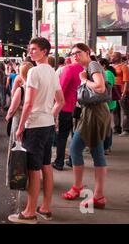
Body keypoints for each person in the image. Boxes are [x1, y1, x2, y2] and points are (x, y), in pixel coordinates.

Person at [9, 37, 65, 224]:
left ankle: (30, 211)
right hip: (47, 124)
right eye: (29, 49)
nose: (30, 52)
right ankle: (45, 207)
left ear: (44, 51)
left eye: (33, 49)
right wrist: (50, 114)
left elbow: (28, 103)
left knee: (34, 169)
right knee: (46, 166)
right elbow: (61, 101)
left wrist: (21, 126)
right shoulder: (52, 72)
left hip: (34, 125)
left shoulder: (33, 72)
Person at [62, 43, 110, 210]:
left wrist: (84, 80)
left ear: (88, 52)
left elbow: (100, 86)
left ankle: (84, 189)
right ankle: (96, 194)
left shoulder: (92, 65)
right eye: (72, 53)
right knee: (96, 152)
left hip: (94, 114)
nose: (75, 55)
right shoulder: (89, 66)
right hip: (92, 113)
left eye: (78, 52)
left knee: (75, 149)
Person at [52, 56, 84, 171]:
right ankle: (73, 160)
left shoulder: (69, 69)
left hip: (66, 107)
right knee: (76, 135)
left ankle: (59, 162)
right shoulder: (88, 69)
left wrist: (56, 104)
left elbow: (61, 88)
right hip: (82, 108)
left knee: (62, 136)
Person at [99, 58, 117, 155]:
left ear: (103, 65)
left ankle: (106, 146)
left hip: (108, 103)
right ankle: (106, 146)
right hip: (108, 103)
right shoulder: (107, 73)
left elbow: (107, 89)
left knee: (106, 126)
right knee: (106, 125)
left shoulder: (107, 74)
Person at [111, 52, 129, 136]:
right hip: (114, 91)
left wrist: (124, 92)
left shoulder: (124, 67)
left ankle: (126, 129)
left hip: (122, 90)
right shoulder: (112, 67)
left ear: (118, 57)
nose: (111, 57)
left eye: (113, 56)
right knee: (115, 111)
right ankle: (117, 128)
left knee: (125, 111)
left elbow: (126, 81)